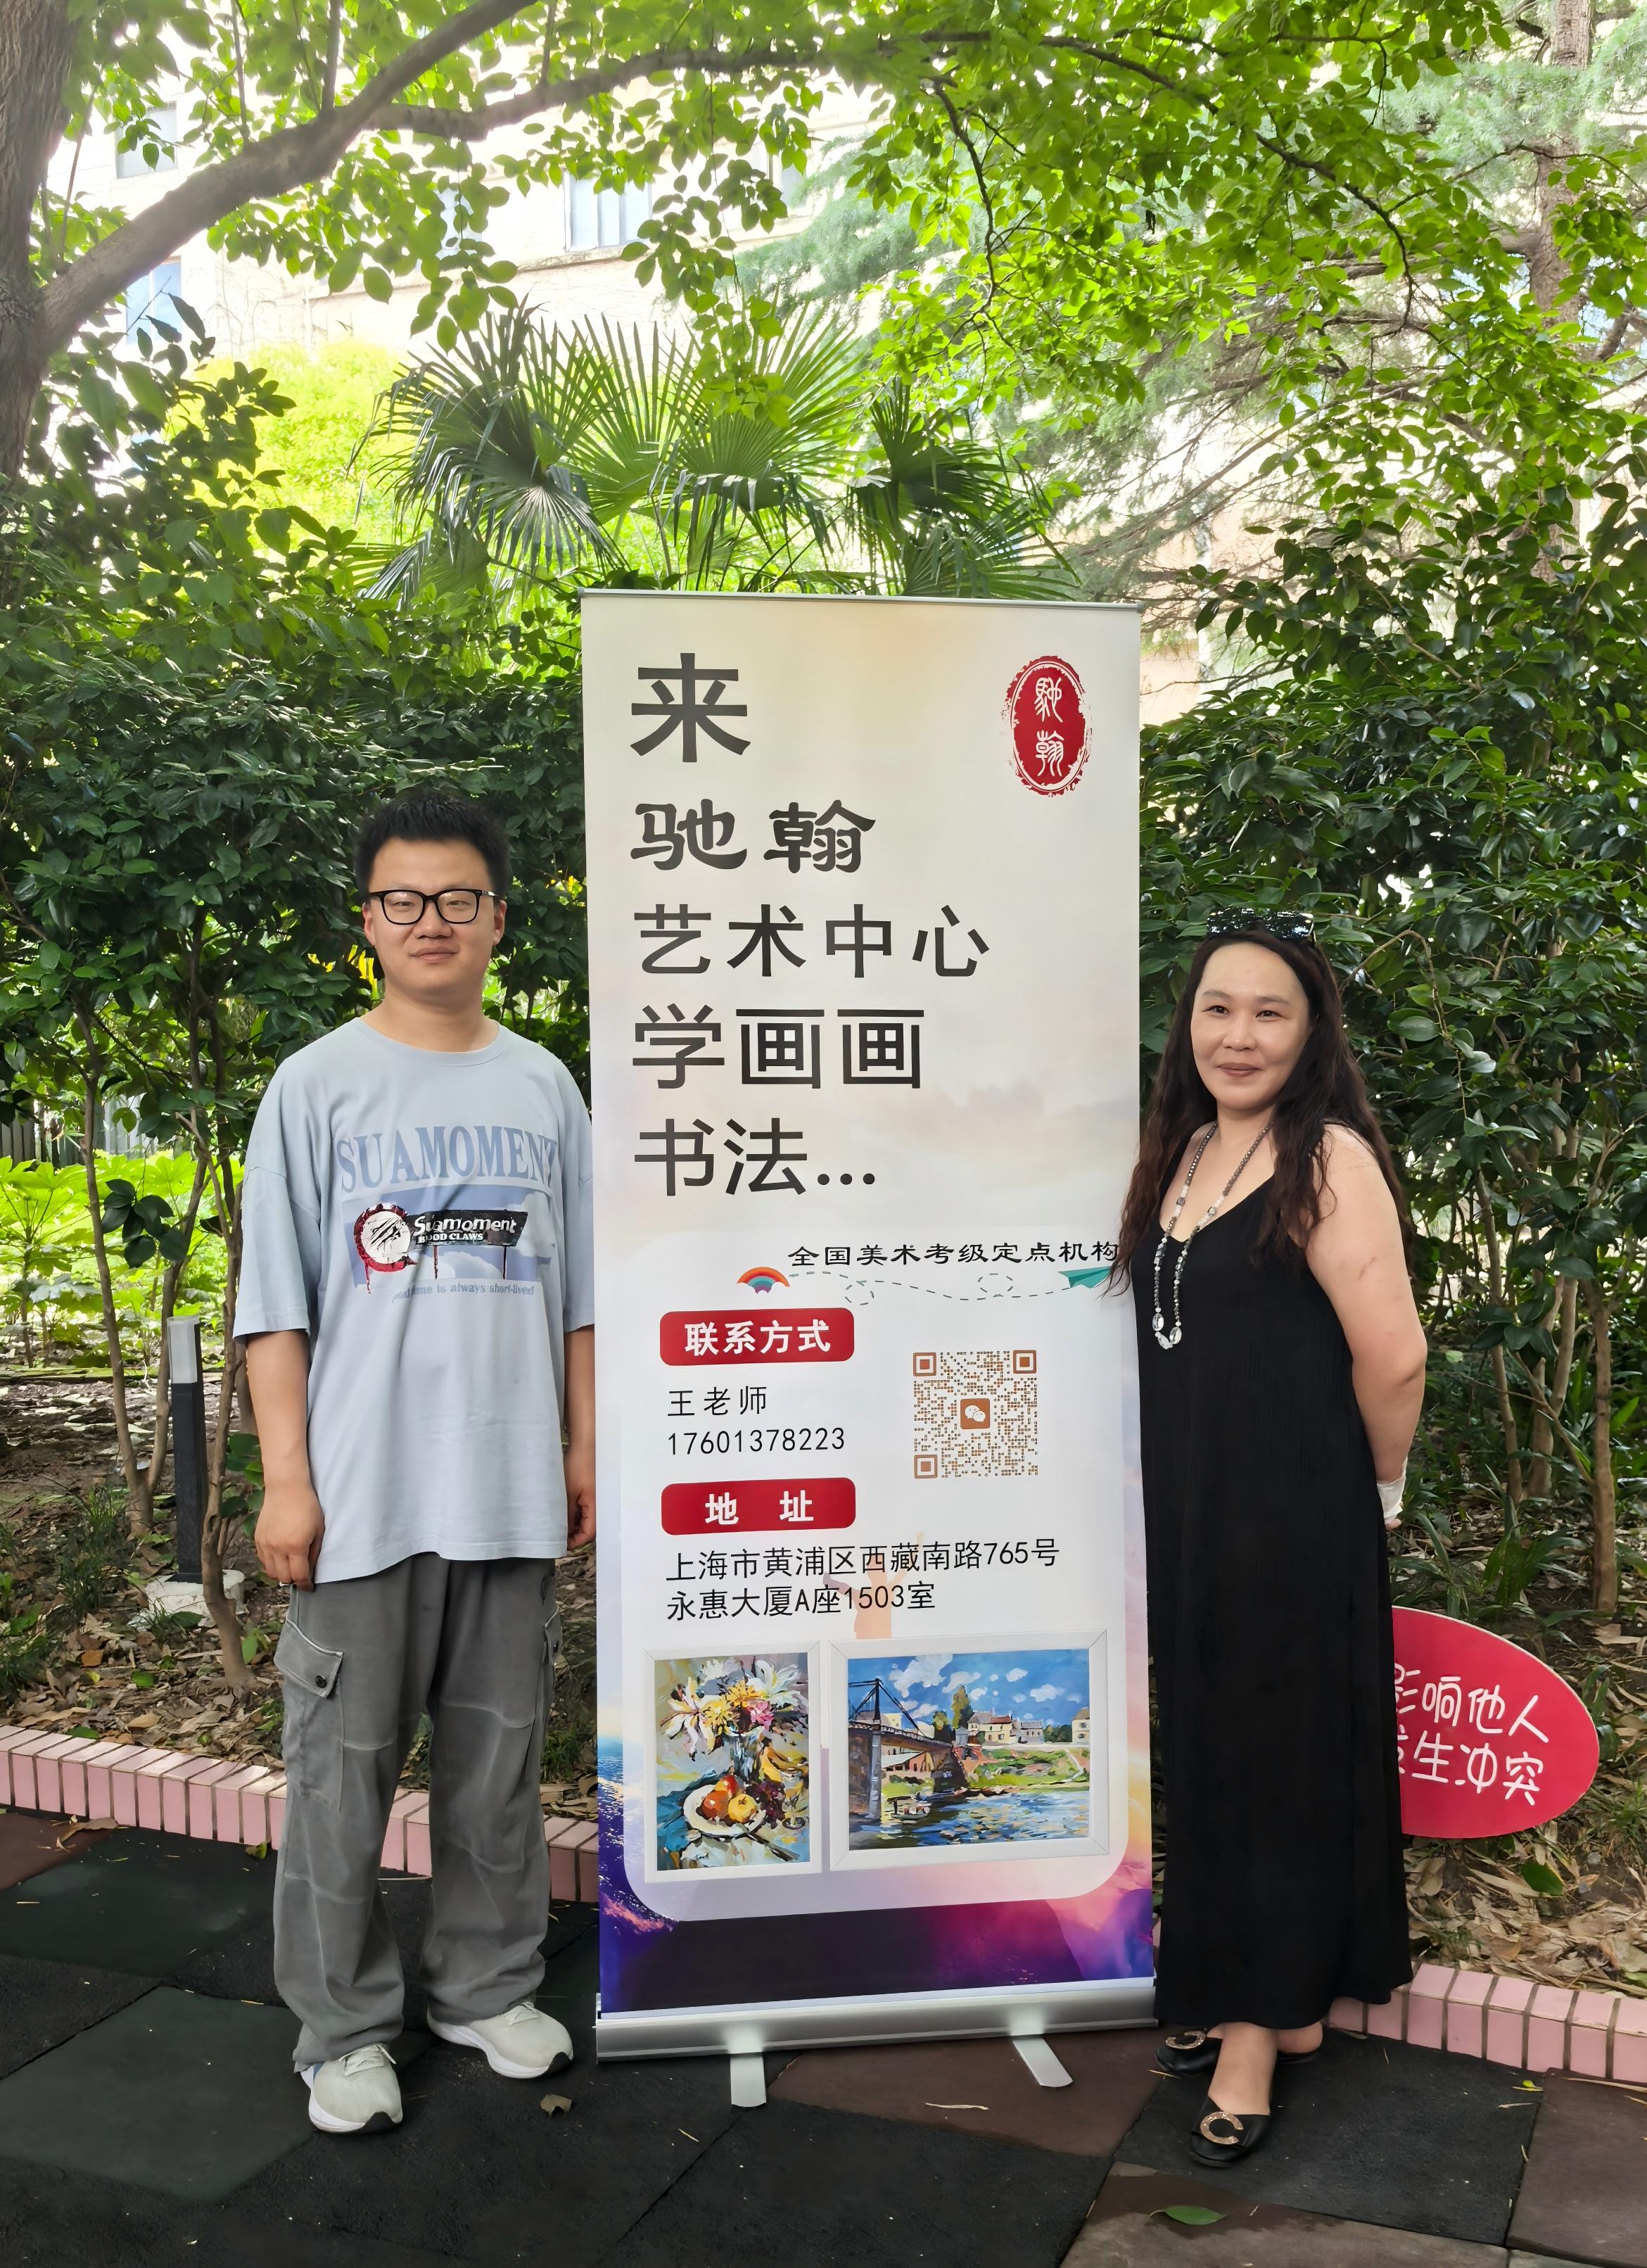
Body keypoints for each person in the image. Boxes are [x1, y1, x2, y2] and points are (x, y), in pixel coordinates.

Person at [235, 785, 595, 2137]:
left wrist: (583, 1447)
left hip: (507, 1490)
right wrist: (288, 1478)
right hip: (362, 1495)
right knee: (340, 1778)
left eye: (457, 898)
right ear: (369, 921)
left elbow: (582, 1299)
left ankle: (484, 1989)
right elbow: (275, 1305)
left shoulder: (542, 1084)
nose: (430, 920)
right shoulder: (316, 1083)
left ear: (498, 918)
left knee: (495, 1772)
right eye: (403, 899)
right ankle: (341, 2030)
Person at [1115, 909, 1426, 2165]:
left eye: (1268, 1013)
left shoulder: (1326, 1157)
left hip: (1292, 1511)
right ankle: (1265, 1990)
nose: (1236, 1036)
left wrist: (1377, 1492)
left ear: (1310, 1035)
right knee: (1214, 1745)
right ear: (1185, 1025)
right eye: (1216, 1009)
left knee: (1273, 1758)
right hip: (1195, 1509)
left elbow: (1393, 1356)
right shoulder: (1185, 1145)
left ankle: (1254, 2029)